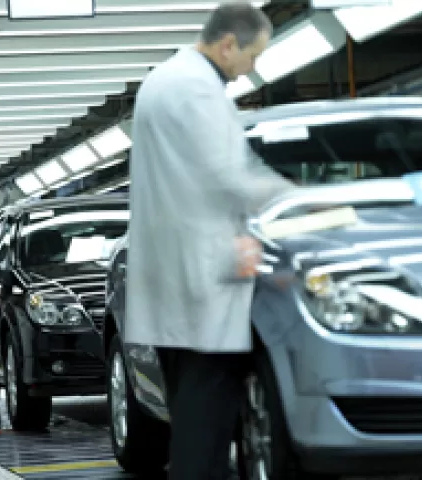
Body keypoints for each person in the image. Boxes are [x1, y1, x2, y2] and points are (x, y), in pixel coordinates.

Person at [124, 3, 295, 479]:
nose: (252, 69)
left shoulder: (163, 81)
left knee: (195, 423)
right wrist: (302, 201)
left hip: (174, 282)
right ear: (227, 44)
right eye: (253, 56)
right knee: (206, 428)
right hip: (202, 283)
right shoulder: (196, 89)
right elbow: (230, 176)